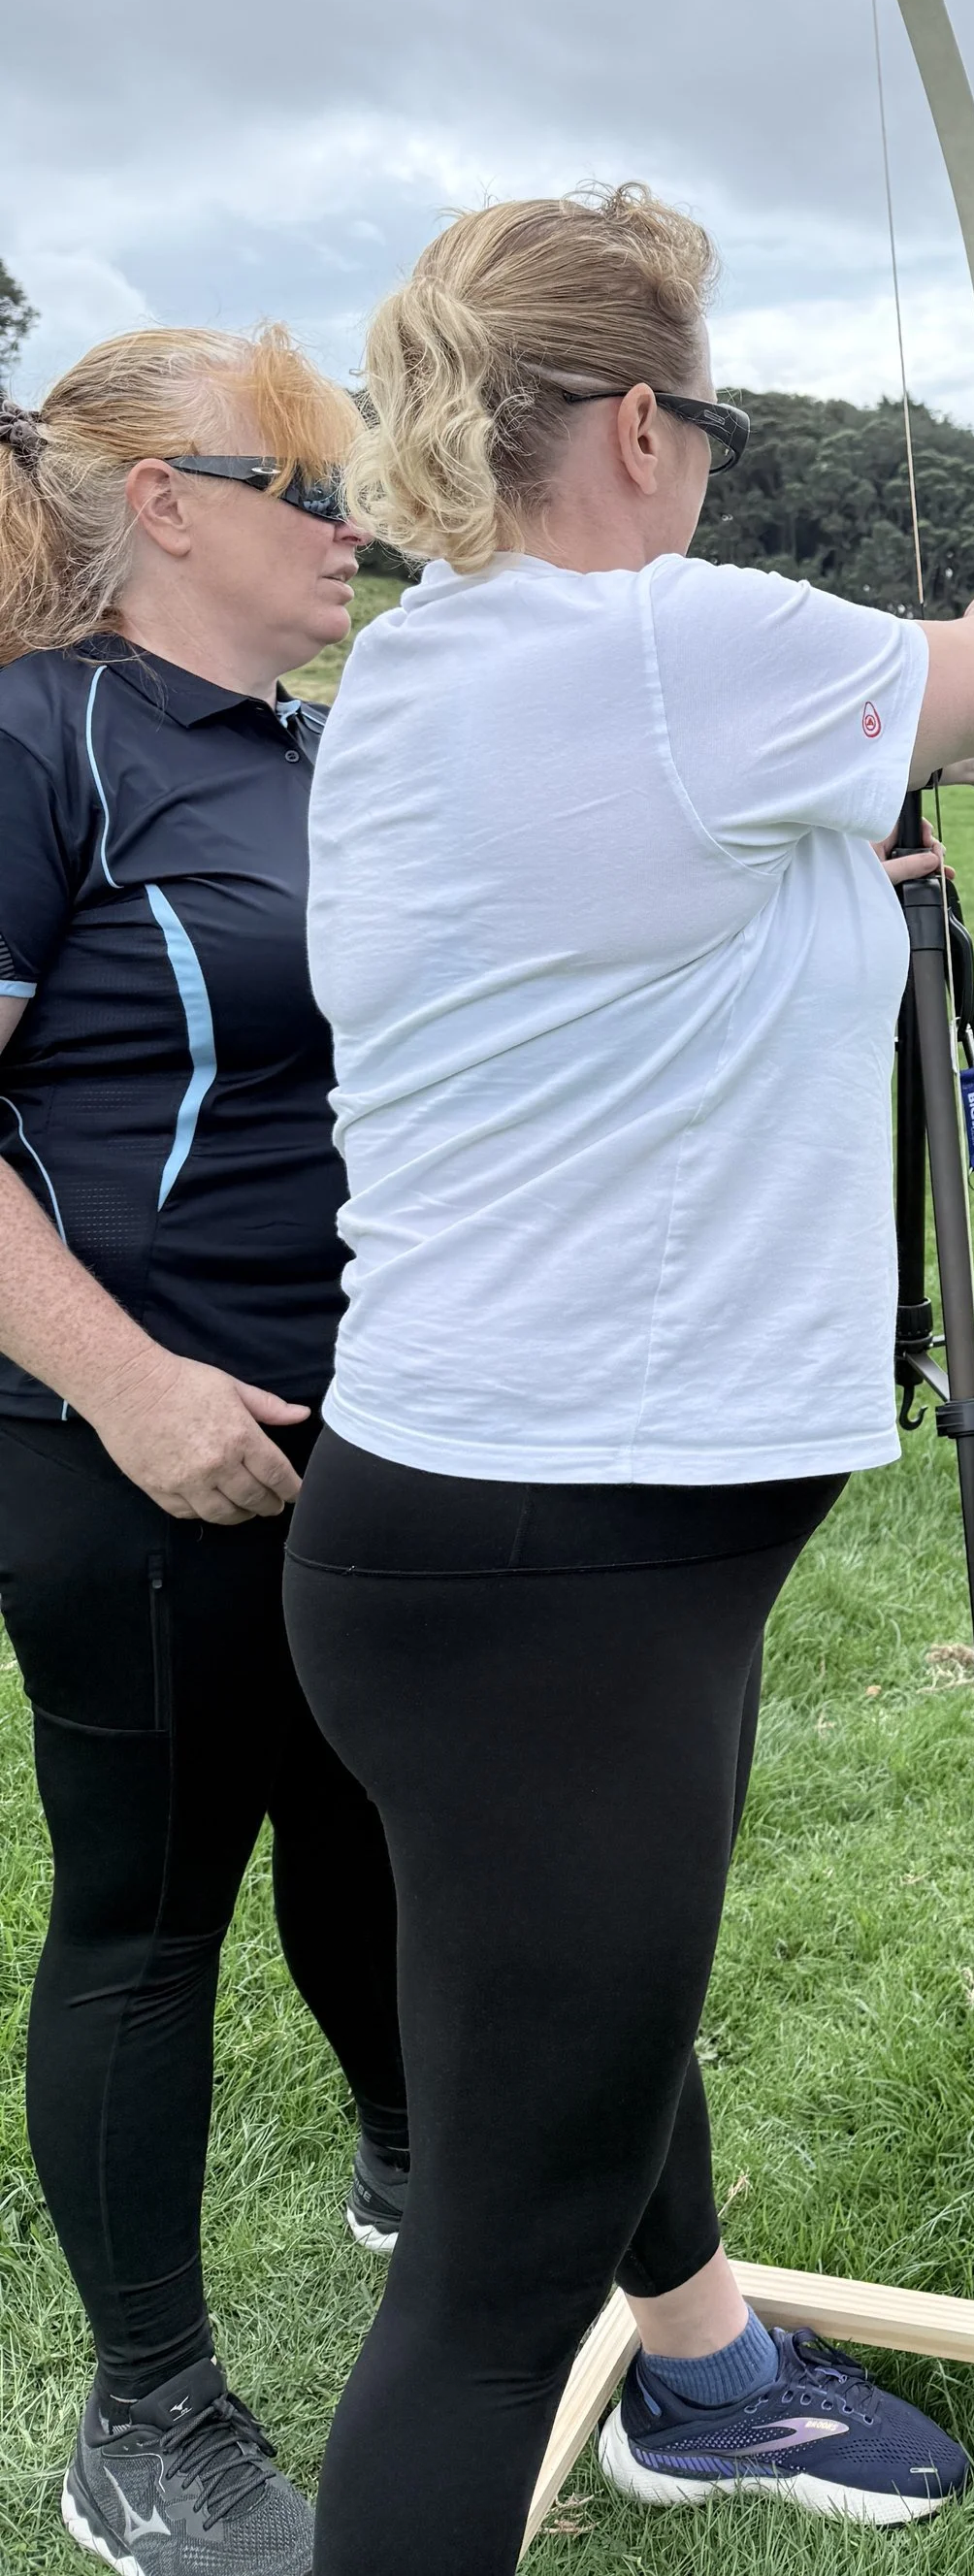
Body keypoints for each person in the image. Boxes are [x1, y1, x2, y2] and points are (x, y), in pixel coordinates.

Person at [285, 183, 974, 2574]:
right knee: (490, 2281)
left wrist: (863, 863)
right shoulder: (669, 649)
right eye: (708, 423)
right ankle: (654, 2389)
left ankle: (713, 2382)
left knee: (579, 2008)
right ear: (636, 422)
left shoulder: (436, 673)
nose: (714, 467)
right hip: (565, 1576)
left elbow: (643, 922)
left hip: (472, 1550)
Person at [0, 328, 409, 2576]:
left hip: (372, 1427)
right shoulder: (33, 736)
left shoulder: (318, 750)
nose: (356, 527)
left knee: (366, 1817)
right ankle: (142, 2418)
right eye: (311, 486)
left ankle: (410, 2164)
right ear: (162, 504)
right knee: (151, 1910)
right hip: (124, 1451)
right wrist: (131, 1386)